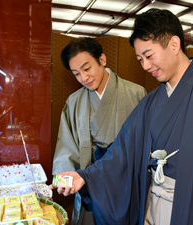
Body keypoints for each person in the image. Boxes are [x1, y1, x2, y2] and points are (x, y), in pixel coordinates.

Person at [50, 8, 193, 225]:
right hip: (153, 205)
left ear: (174, 45)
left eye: (149, 56)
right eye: (140, 59)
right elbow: (122, 152)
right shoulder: (150, 103)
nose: (145, 66)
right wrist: (87, 176)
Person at [52, 37, 146, 225]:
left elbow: (142, 145)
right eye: (76, 73)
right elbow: (67, 145)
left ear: (102, 60)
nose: (84, 78)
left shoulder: (136, 93)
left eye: (87, 69)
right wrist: (65, 179)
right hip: (89, 185)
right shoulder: (74, 101)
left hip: (123, 185)